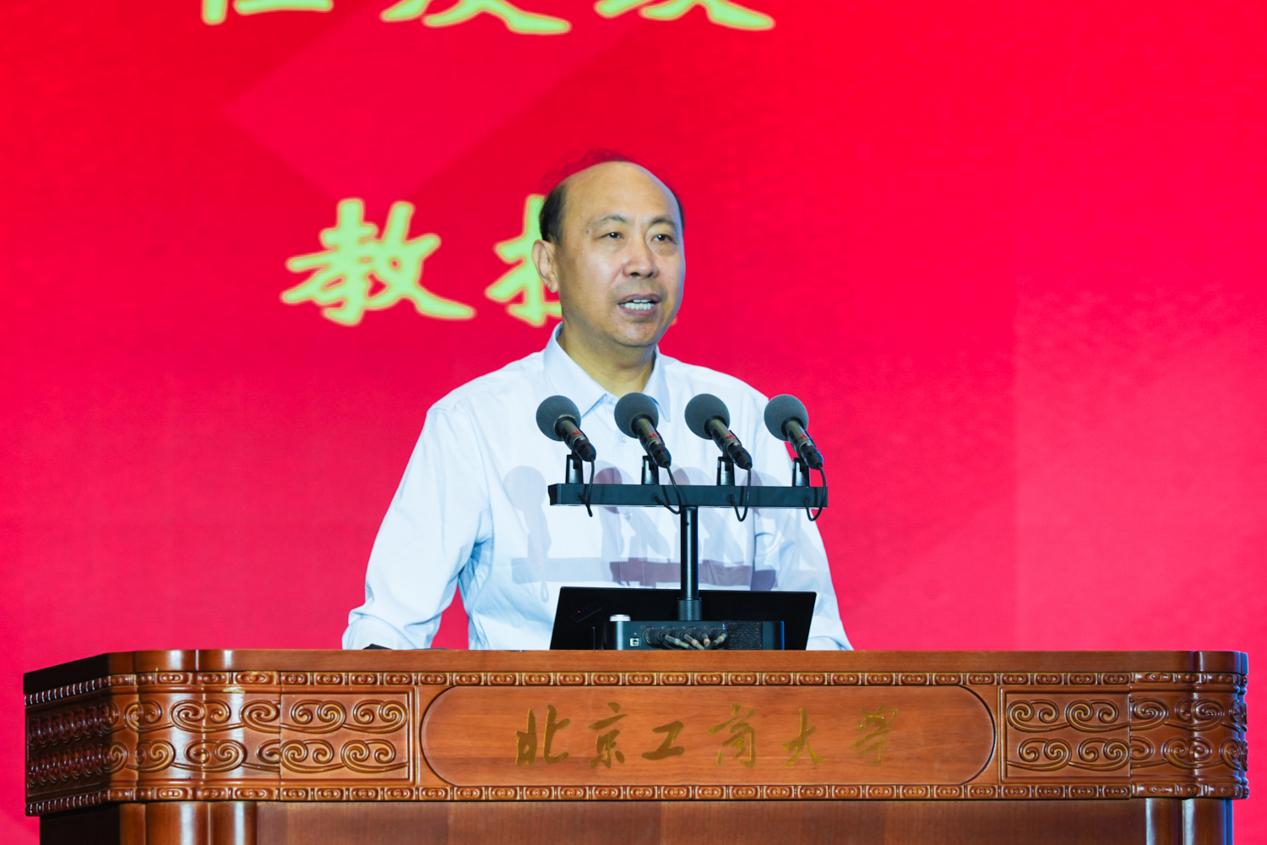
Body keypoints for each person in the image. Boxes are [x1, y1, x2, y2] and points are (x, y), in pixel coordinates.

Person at [342, 160, 850, 650]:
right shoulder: (476, 423)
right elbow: (389, 627)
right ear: (548, 264)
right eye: (612, 235)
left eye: (662, 238)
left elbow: (816, 635)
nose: (643, 263)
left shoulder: (738, 418)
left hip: (723, 712)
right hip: (535, 711)